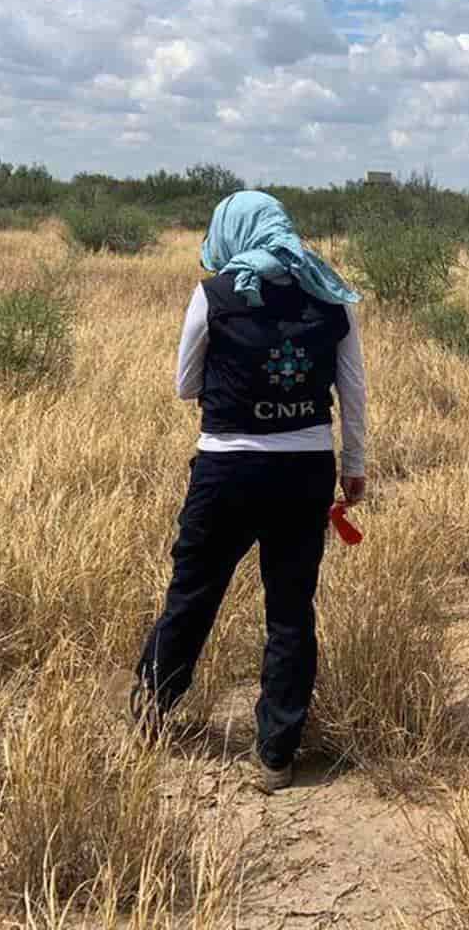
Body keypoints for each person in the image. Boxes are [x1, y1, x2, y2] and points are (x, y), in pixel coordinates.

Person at [129, 191, 368, 794]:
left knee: (193, 594)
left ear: (230, 231)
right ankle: (276, 756)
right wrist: (354, 465)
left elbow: (185, 386)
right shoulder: (331, 293)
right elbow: (354, 391)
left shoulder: (214, 294)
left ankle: (151, 712)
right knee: (290, 610)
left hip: (226, 470)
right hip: (305, 470)